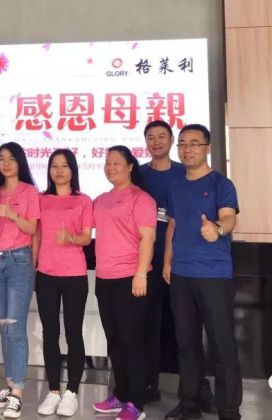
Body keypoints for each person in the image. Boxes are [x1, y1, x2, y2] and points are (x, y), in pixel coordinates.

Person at [163, 124, 242, 420]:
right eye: (182, 144)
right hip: (181, 274)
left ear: (207, 147)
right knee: (186, 343)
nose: (187, 149)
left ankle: (228, 410)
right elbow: (173, 226)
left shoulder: (221, 183)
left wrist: (218, 229)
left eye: (194, 143)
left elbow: (229, 217)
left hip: (213, 275)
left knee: (221, 344)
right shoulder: (175, 187)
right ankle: (190, 404)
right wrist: (168, 262)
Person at [139, 120, 215, 411]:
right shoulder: (138, 175)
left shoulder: (186, 172)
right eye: (151, 137)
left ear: (172, 141)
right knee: (148, 326)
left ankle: (198, 389)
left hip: (181, 263)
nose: (156, 142)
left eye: (162, 137)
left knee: (188, 330)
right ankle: (148, 385)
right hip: (146, 262)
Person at [92, 145, 156, 420]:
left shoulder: (141, 199)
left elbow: (148, 238)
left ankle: (136, 402)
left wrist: (141, 274)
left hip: (131, 278)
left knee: (132, 341)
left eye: (116, 163)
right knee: (115, 340)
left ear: (130, 166)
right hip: (104, 279)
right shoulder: (100, 200)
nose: (110, 167)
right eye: (107, 163)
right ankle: (121, 394)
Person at [33, 149, 93, 417]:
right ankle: (54, 390)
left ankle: (72, 392)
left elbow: (86, 238)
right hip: (46, 273)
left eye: (65, 166)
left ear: (73, 170)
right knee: (50, 332)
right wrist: (33, 265)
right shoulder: (41, 199)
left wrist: (70, 238)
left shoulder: (83, 200)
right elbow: (36, 235)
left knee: (73, 332)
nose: (59, 171)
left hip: (74, 275)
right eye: (54, 166)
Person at [0, 142, 40, 419]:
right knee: (4, 328)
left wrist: (12, 215)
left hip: (19, 260)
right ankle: (10, 385)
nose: (6, 163)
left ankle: (17, 393)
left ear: (20, 162)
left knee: (16, 329)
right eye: (1, 159)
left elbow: (32, 227)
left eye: (11, 159)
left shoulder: (29, 191)